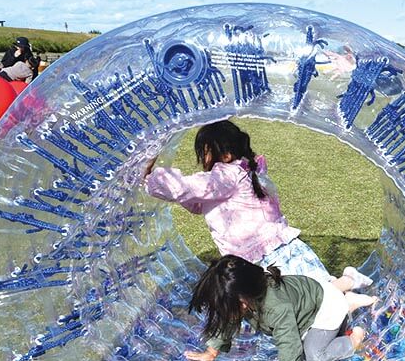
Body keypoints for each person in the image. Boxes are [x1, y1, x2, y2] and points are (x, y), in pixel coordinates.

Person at [144, 119, 372, 289]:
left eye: (205, 152)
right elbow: (195, 202)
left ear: (225, 154)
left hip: (270, 254)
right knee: (307, 300)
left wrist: (149, 176)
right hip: (266, 254)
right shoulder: (243, 171)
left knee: (317, 296)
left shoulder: (226, 175)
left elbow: (184, 187)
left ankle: (349, 280)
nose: (203, 159)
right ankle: (348, 291)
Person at [183, 255, 376, 361]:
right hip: (312, 297)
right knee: (304, 343)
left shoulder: (276, 307)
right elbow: (227, 319)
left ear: (243, 300)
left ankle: (353, 337)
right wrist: (212, 351)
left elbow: (288, 341)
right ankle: (347, 293)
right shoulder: (248, 293)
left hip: (325, 308)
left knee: (313, 355)